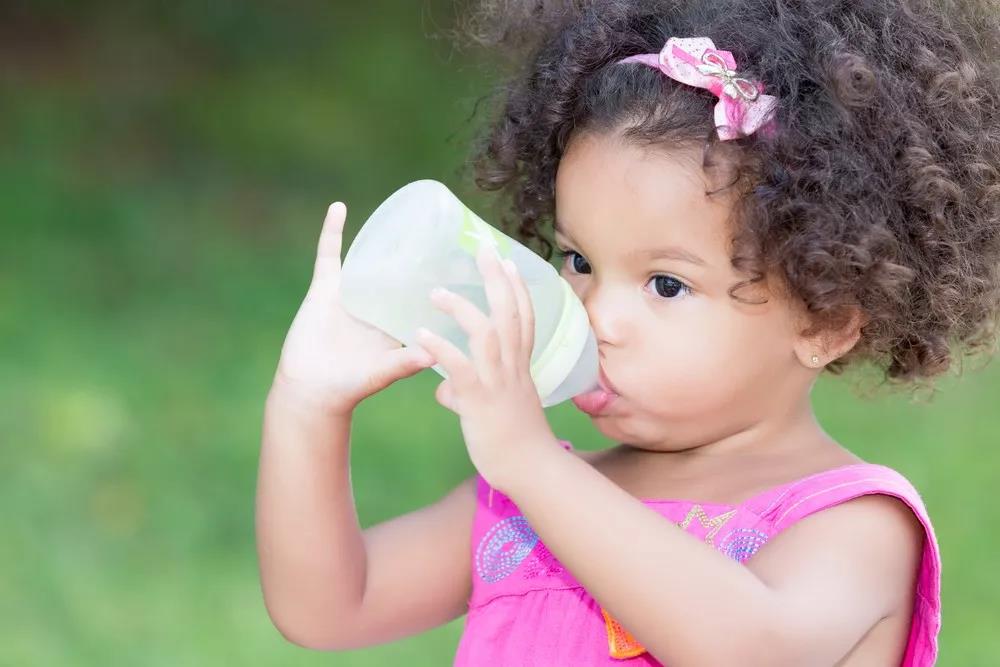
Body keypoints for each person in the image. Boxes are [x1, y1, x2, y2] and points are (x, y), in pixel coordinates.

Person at [255, 1, 1000, 664]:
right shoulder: (522, 501)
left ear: (826, 318)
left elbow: (749, 648)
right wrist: (305, 405)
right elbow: (329, 605)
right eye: (578, 260)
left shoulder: (856, 523)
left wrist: (535, 465)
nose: (593, 315)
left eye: (666, 284)